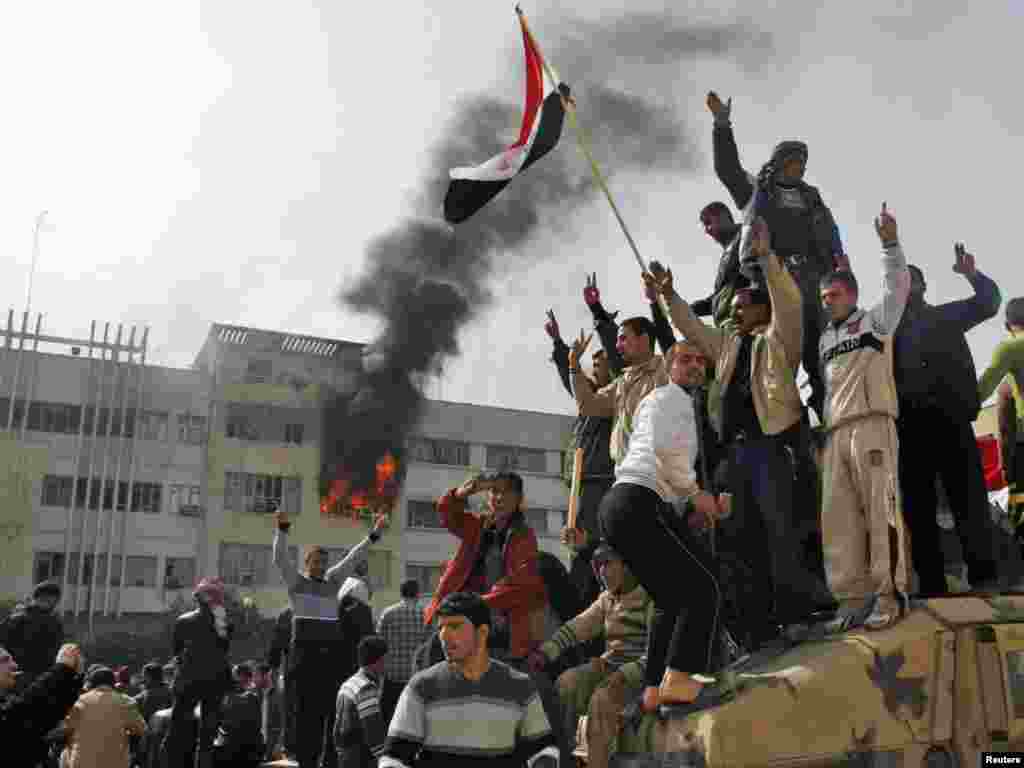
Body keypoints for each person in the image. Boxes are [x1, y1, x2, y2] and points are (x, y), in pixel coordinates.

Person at [653, 218, 832, 647]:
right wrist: (668, 295)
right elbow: (692, 329)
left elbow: (788, 300)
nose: (734, 313)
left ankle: (794, 613)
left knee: (779, 532)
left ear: (761, 310)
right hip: (732, 459)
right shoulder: (729, 346)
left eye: (743, 307)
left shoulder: (779, 340)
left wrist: (767, 258)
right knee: (739, 539)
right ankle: (756, 625)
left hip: (769, 449)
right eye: (731, 311)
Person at [577, 335, 727, 710]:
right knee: (705, 585)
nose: (695, 366)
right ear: (670, 367)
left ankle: (653, 688)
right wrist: (698, 497)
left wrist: (688, 503)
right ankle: (682, 681)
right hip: (638, 501)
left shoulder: (659, 402)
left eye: (700, 362)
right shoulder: (672, 398)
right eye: (685, 359)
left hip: (622, 503)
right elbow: (669, 454)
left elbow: (659, 460)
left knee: (670, 599)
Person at [706, 90, 843, 419]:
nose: (798, 168)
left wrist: (839, 267)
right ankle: (764, 421)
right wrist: (722, 125)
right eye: (793, 162)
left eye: (802, 163)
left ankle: (830, 419)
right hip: (774, 284)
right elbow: (727, 169)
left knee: (821, 356)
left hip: (813, 285)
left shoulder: (812, 198)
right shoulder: (759, 191)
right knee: (774, 358)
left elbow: (831, 236)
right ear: (780, 163)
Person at [817, 202, 912, 630]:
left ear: (851, 294)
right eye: (823, 297)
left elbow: (897, 289)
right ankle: (852, 600)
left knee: (880, 510)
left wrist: (889, 244)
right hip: (836, 432)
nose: (827, 302)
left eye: (833, 294)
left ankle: (889, 596)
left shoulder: (875, 322)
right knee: (838, 519)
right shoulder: (824, 339)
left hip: (873, 424)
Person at [894, 245, 1003, 595]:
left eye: (913, 279)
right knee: (918, 510)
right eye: (900, 280)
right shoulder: (885, 332)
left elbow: (988, 303)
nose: (908, 285)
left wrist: (972, 274)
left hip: (952, 423)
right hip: (909, 430)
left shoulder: (946, 316)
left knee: (969, 502)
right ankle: (932, 585)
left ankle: (984, 577)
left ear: (924, 286)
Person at [381, 592, 558, 768]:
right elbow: (394, 757)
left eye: (455, 626)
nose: (444, 635)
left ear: (482, 633)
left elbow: (543, 750)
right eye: (441, 627)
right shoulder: (421, 687)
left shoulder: (520, 686)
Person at [273, 506, 388, 768]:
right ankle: (306, 760)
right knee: (306, 720)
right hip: (303, 663)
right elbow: (280, 558)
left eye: (323, 562)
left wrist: (374, 535)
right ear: (307, 564)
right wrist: (281, 530)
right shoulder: (296, 584)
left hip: (330, 663)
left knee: (330, 718)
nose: (320, 566)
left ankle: (330, 761)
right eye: (315, 562)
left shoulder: (333, 582)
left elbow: (353, 556)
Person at [527, 542, 653, 768]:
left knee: (601, 700)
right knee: (567, 683)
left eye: (607, 563)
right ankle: (566, 757)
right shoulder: (607, 599)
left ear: (626, 565)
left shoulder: (649, 599)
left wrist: (624, 674)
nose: (601, 571)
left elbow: (656, 652)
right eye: (597, 565)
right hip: (610, 665)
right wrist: (547, 653)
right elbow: (579, 626)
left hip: (639, 674)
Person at [547, 309, 614, 617]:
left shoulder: (616, 398)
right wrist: (560, 345)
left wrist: (600, 314)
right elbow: (569, 379)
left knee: (596, 548)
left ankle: (599, 605)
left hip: (602, 480)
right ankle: (581, 609)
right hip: (580, 484)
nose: (597, 370)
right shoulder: (589, 399)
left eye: (603, 365)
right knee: (578, 548)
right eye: (595, 365)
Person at [163, 577, 233, 768]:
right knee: (207, 739)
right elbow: (224, 651)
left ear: (197, 598)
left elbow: (176, 652)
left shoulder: (183, 621)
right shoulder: (225, 624)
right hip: (215, 683)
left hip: (187, 682)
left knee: (175, 733)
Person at [0, 643, 84, 768]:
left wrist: (72, 678)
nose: (15, 665)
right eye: (5, 660)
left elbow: (32, 722)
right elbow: (15, 720)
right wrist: (63, 670)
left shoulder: (7, 700)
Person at [62, 665, 146, 768]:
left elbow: (66, 729)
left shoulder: (80, 701)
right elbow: (141, 729)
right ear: (113, 683)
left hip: (81, 762)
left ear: (92, 683)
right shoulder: (126, 702)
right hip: (115, 763)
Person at [377, 580, 432, 726]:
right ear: (418, 594)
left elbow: (379, 643)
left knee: (388, 718)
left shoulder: (388, 613)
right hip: (417, 676)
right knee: (413, 721)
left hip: (392, 676)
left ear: (401, 593)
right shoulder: (427, 615)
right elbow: (430, 644)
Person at [691, 201, 749, 329]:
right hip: (730, 328)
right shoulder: (728, 251)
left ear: (723, 216)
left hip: (748, 324)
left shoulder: (746, 236)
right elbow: (723, 294)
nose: (707, 230)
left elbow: (747, 278)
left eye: (708, 223)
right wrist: (694, 308)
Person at [335, 635, 389, 768]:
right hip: (360, 759)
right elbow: (373, 732)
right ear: (378, 661)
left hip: (344, 756)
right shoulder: (366, 689)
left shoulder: (348, 685)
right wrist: (385, 760)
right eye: (385, 659)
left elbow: (336, 726)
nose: (387, 663)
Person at [0, 580, 64, 691]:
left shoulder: (13, 619)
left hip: (12, 679)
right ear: (53, 600)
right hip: (40, 682)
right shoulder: (54, 623)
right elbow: (56, 655)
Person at [212, 663, 264, 767]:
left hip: (232, 747)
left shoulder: (229, 697)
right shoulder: (252, 697)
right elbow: (257, 726)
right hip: (246, 749)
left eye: (234, 675)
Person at [266, 606, 294, 758]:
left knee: (291, 712)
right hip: (320, 673)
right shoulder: (327, 608)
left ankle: (289, 749)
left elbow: (276, 647)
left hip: (294, 671)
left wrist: (274, 671)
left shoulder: (287, 614)